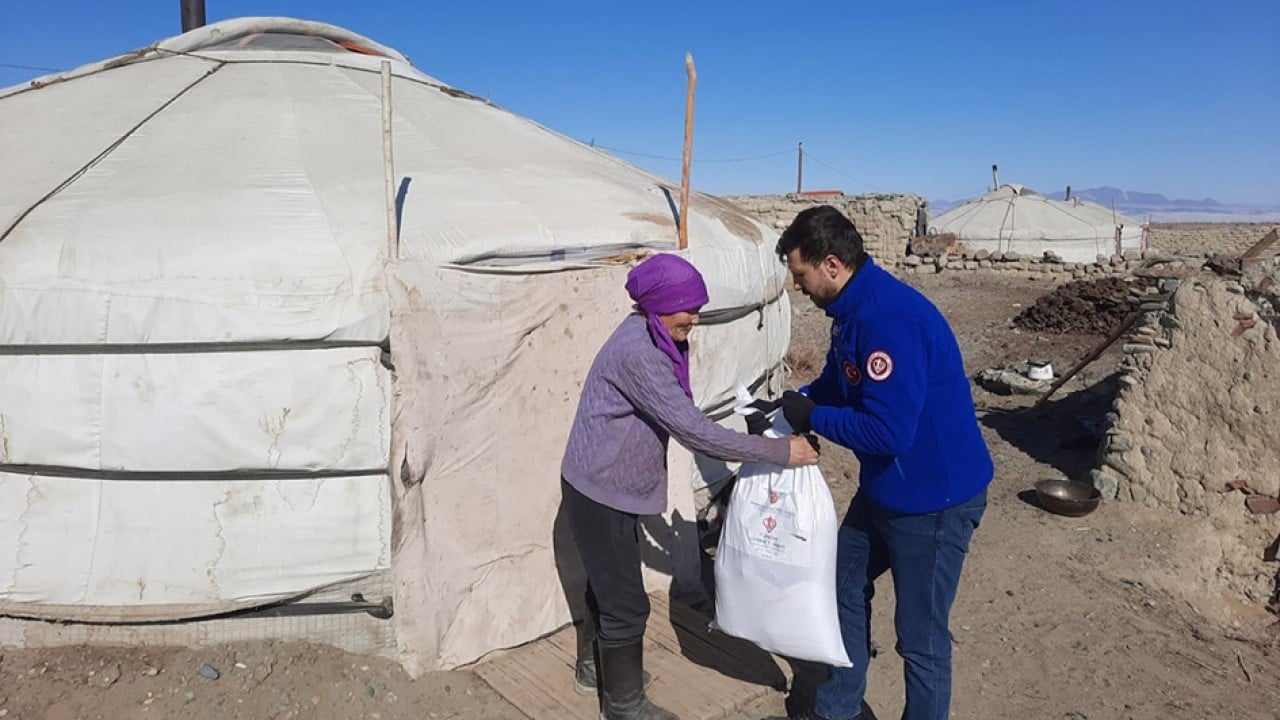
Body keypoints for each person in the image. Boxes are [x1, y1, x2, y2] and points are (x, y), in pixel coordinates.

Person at [562, 253, 820, 720]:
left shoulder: (654, 336)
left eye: (699, 308)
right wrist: (781, 453)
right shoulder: (639, 352)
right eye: (688, 309)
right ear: (660, 305)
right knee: (626, 602)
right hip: (599, 491)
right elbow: (692, 430)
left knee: (608, 583)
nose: (696, 319)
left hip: (602, 484)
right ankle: (623, 706)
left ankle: (593, 670)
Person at [761, 206, 993, 720]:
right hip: (888, 489)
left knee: (920, 638)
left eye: (800, 275)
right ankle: (839, 707)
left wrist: (815, 417)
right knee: (841, 580)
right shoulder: (850, 314)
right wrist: (791, 402)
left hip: (933, 499)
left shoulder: (888, 320)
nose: (797, 287)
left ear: (831, 265)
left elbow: (889, 432)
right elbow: (837, 383)